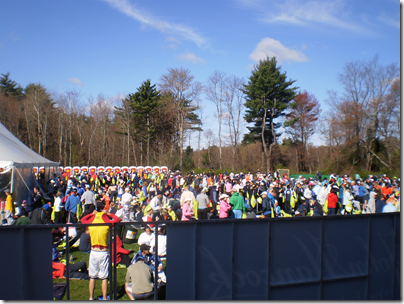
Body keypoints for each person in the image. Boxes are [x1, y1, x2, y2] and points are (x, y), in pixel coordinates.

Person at [80, 202, 122, 301]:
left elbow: (82, 220)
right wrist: (108, 213)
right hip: (103, 251)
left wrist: (91, 214)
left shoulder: (91, 219)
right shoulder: (106, 219)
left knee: (92, 276)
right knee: (104, 277)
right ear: (103, 208)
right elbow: (118, 219)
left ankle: (91, 297)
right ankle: (104, 298)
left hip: (94, 250)